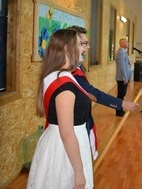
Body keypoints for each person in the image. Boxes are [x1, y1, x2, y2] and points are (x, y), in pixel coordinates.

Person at [27, 29, 93, 188]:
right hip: (65, 150)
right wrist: (78, 171)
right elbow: (67, 133)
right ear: (66, 48)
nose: (84, 48)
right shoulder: (65, 84)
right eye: (79, 44)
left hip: (59, 143)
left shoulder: (55, 75)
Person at [115, 38, 132, 116]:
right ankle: (118, 110)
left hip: (125, 77)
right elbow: (121, 67)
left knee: (123, 94)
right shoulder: (121, 53)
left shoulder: (124, 52)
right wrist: (125, 78)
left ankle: (120, 108)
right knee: (121, 94)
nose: (128, 43)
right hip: (122, 78)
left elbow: (125, 63)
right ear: (122, 44)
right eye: (126, 42)